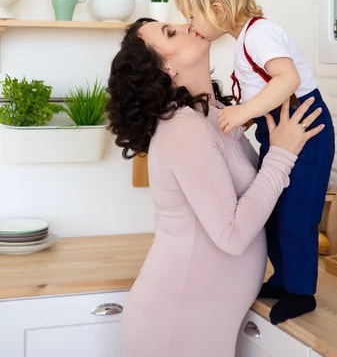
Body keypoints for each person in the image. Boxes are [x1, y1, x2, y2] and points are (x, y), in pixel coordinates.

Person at [107, 18, 324, 357]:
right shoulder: (182, 128)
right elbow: (232, 234)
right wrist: (281, 154)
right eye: (170, 32)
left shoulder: (216, 114)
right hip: (174, 325)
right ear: (166, 68)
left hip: (204, 320)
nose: (185, 23)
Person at [175, 0, 335, 325]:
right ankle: (283, 279)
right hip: (280, 126)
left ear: (217, 10)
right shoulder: (247, 39)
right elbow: (267, 87)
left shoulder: (260, 34)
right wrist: (247, 116)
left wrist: (245, 110)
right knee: (275, 211)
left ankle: (301, 292)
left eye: (191, 15)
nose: (189, 25)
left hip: (305, 126)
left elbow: (287, 79)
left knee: (296, 214)